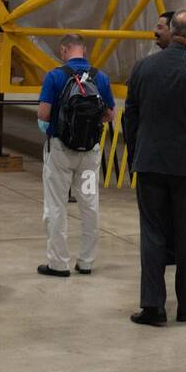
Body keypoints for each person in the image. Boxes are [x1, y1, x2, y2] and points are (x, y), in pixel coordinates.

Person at [123, 10, 186, 325]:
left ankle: (153, 307)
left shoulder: (143, 68)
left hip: (151, 163)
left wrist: (135, 156)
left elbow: (131, 119)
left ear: (173, 32)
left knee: (152, 234)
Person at [36, 34, 115, 278]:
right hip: (90, 154)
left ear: (63, 50)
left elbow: (44, 113)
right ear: (84, 50)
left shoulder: (55, 76)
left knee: (56, 206)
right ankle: (87, 261)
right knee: (90, 205)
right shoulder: (100, 77)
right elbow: (110, 114)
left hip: (60, 151)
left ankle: (59, 263)